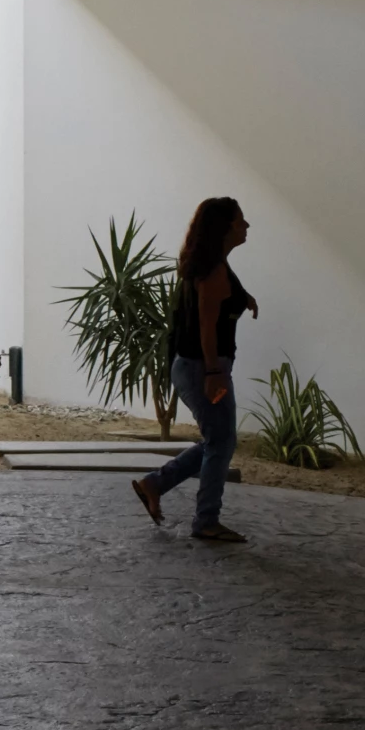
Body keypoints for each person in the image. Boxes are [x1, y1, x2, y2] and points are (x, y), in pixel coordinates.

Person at [133, 195, 257, 545]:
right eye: (240, 221)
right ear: (224, 228)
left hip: (198, 366)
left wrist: (245, 297)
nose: (246, 226)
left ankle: (155, 484)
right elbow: (206, 325)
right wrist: (213, 375)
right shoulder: (214, 270)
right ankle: (206, 520)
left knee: (217, 440)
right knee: (222, 441)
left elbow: (223, 296)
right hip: (203, 366)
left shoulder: (214, 264)